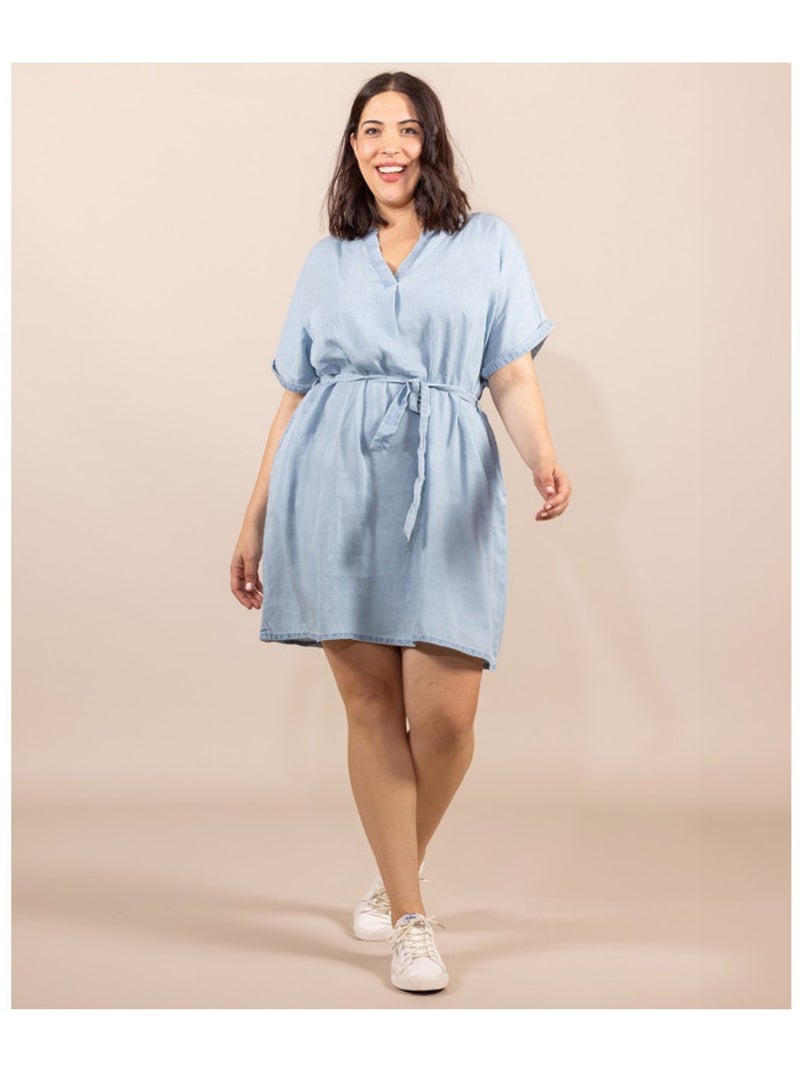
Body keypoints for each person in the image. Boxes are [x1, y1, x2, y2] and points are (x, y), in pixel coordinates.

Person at [230, 71, 571, 994]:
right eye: (373, 129)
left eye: (408, 129)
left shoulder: (486, 242)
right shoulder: (327, 259)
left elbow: (510, 372)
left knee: (449, 720)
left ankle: (393, 874)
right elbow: (294, 396)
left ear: (431, 143)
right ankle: (411, 920)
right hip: (331, 485)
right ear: (353, 146)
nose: (391, 146)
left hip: (448, 481)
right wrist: (254, 517)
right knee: (372, 706)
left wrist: (541, 456)